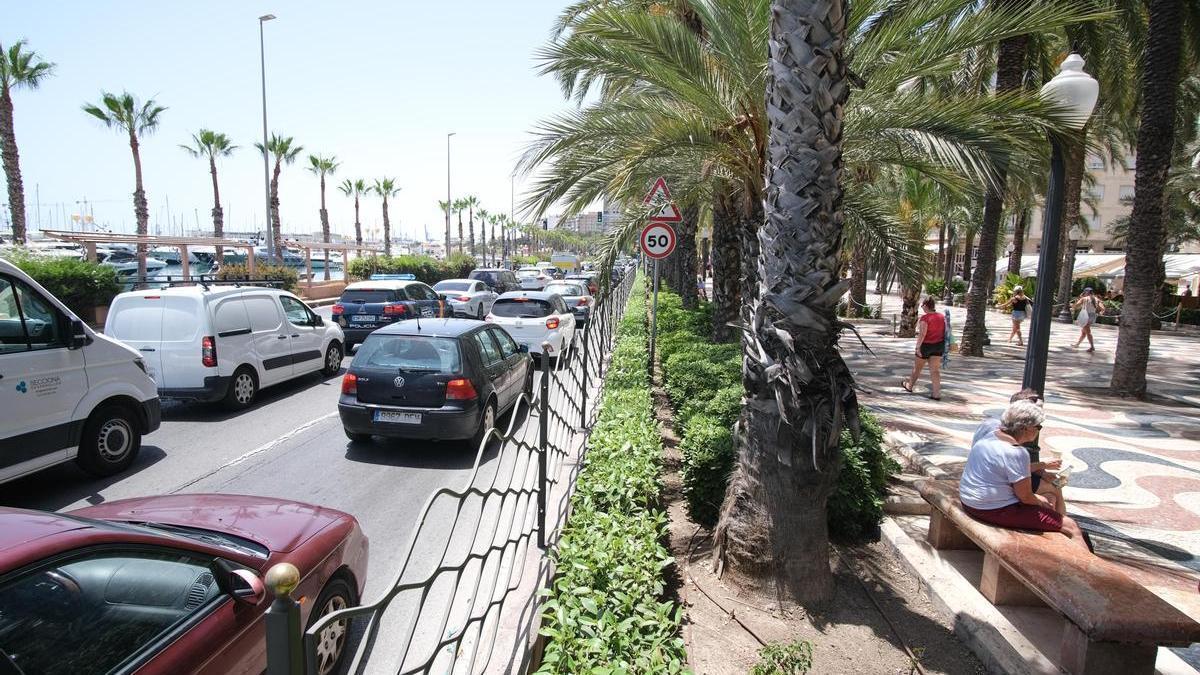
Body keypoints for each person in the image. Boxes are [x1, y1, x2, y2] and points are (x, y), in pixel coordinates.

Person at [959, 401, 1089, 548]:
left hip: (969, 501)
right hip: (991, 509)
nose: (1039, 430)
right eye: (1038, 426)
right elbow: (1025, 497)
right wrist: (1041, 501)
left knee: (1050, 498)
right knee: (1071, 527)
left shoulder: (990, 435)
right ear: (1026, 428)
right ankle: (1088, 569)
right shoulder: (1017, 452)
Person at [901, 296, 944, 400]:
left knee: (917, 368)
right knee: (935, 371)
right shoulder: (942, 317)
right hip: (938, 345)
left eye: (922, 305)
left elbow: (922, 334)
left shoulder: (925, 318)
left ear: (926, 305)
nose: (921, 307)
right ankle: (936, 394)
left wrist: (917, 347)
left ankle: (909, 386)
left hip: (925, 346)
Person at [1071, 287, 1104, 352]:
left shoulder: (1084, 299)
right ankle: (1077, 344)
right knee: (1084, 332)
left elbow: (1075, 306)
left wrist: (1078, 300)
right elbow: (1103, 308)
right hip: (1092, 316)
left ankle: (1092, 347)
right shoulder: (1096, 299)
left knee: (1088, 332)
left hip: (1085, 316)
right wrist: (1100, 313)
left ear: (1086, 292)